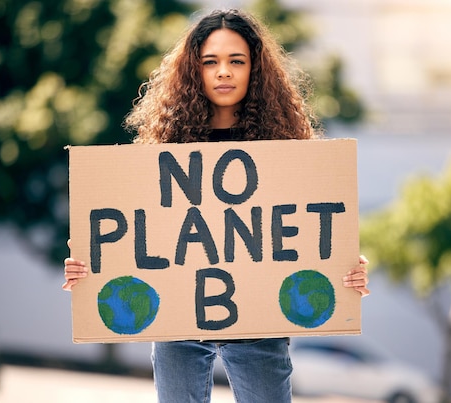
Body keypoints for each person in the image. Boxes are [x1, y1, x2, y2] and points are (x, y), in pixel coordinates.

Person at [63, 8, 370, 403]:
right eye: (211, 62)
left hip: (260, 324)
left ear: (254, 68)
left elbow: (307, 232)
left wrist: (344, 265)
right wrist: (87, 268)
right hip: (177, 322)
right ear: (195, 70)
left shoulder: (286, 149)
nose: (223, 71)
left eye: (236, 61)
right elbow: (141, 232)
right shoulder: (164, 148)